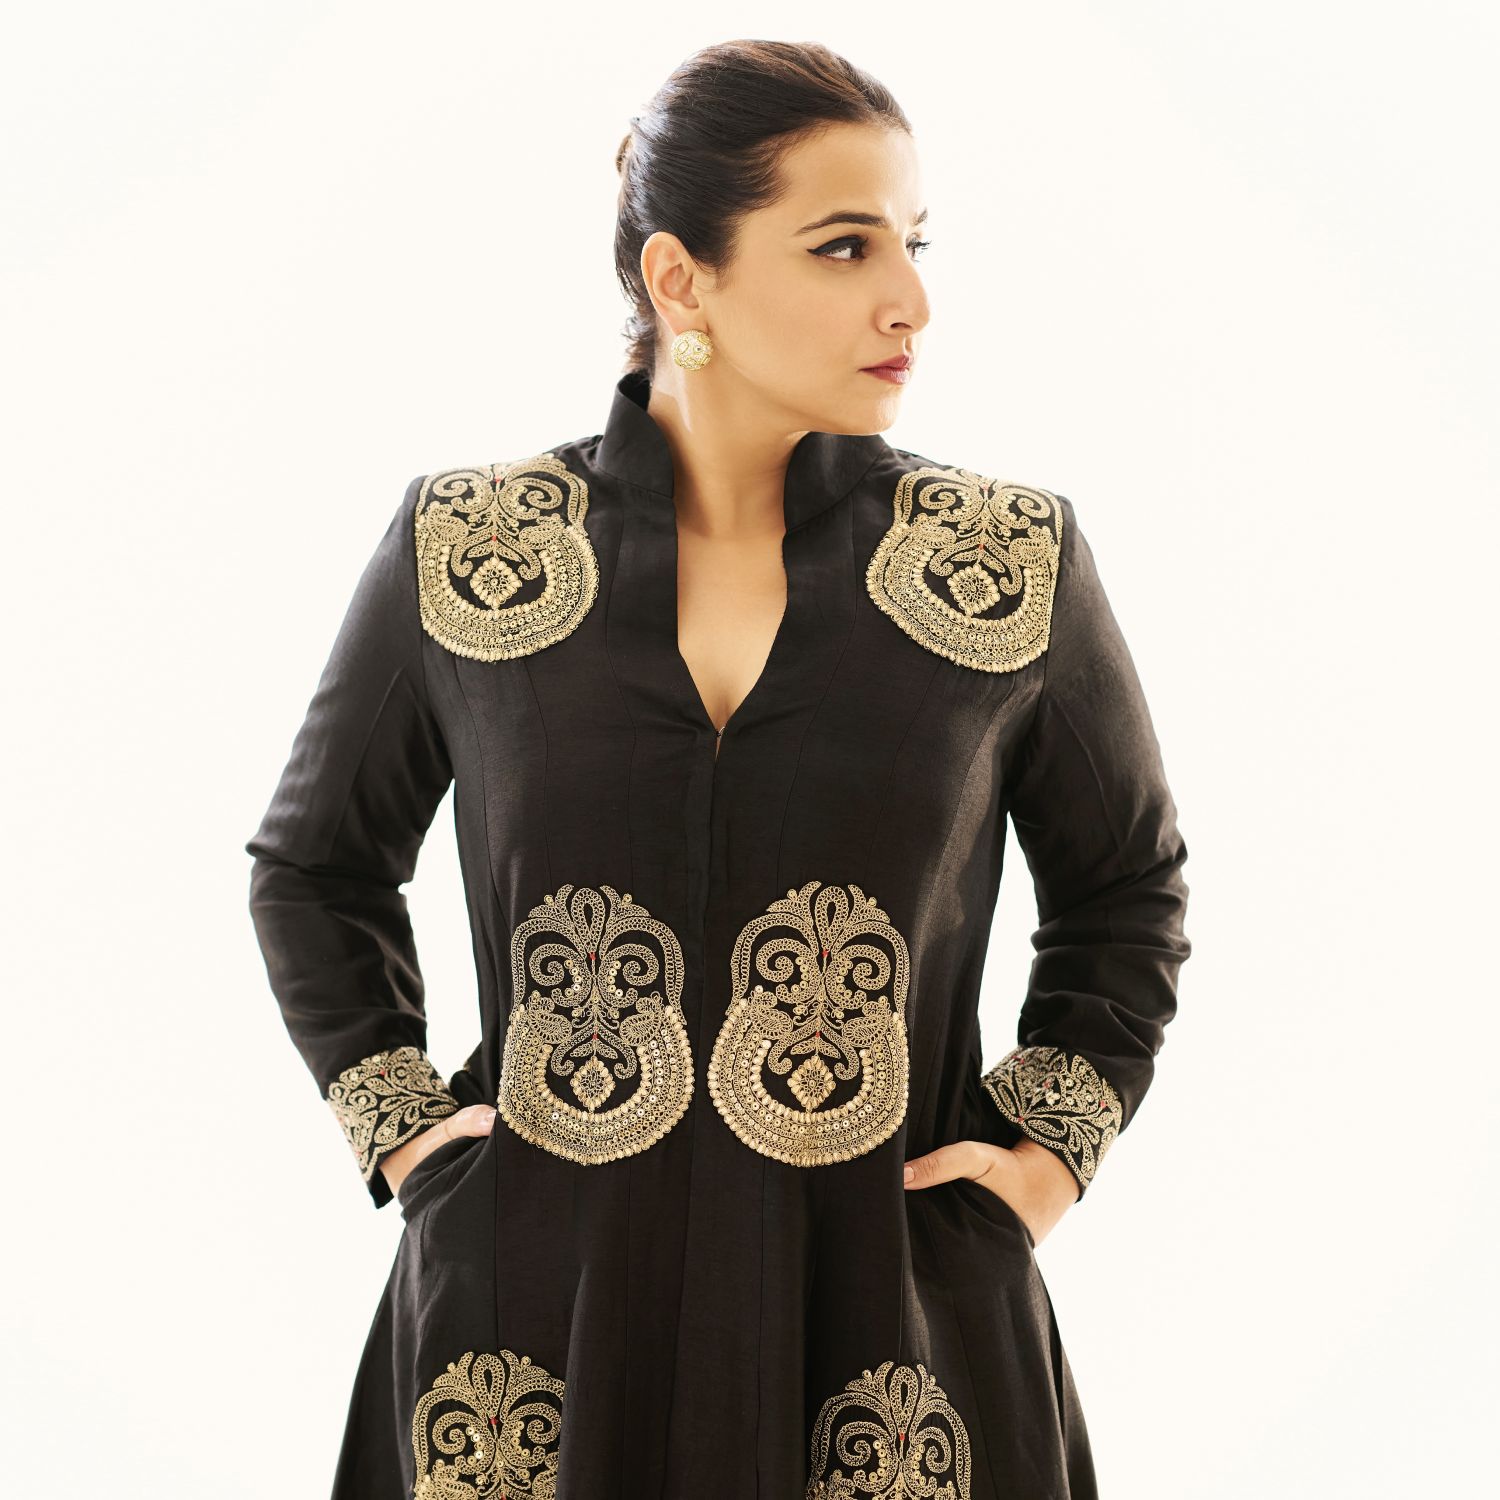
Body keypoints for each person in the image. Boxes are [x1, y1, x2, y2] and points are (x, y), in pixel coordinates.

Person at [245, 38, 1191, 1500]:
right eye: (845, 246)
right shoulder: (468, 547)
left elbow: (1127, 889)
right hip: (534, 1331)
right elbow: (315, 869)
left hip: (897, 1331)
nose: (910, 298)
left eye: (916, 242)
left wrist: (1041, 1159)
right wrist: (413, 1142)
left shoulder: (1007, 562)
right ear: (682, 282)